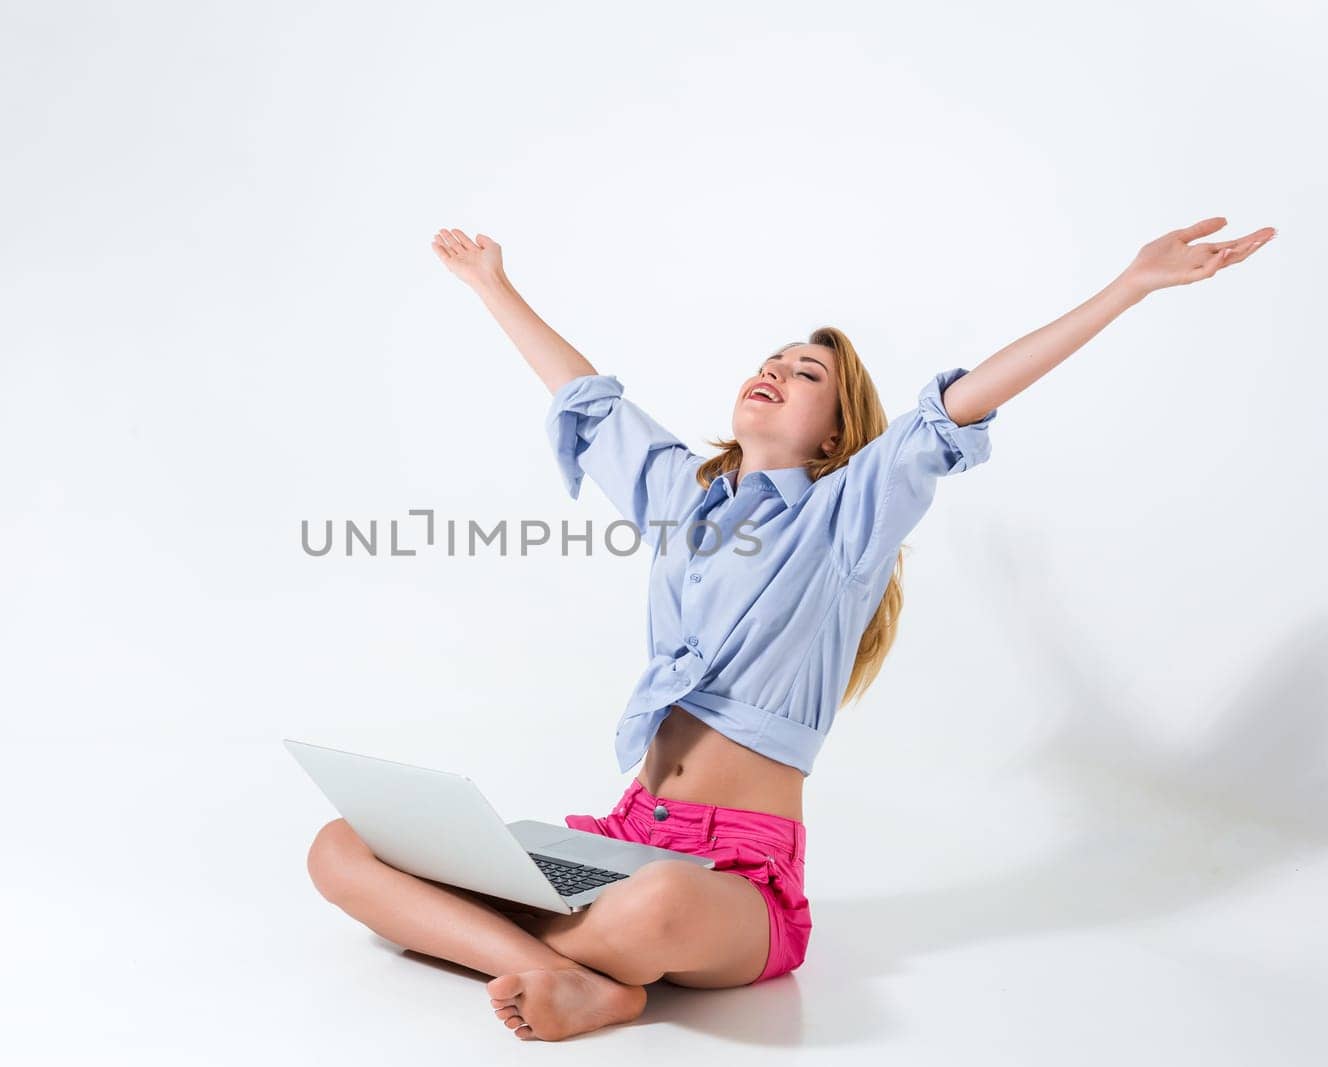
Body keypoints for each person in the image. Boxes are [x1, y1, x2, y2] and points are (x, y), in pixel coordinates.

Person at [306, 219, 1275, 1042]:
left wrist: (1128, 286)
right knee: (341, 844)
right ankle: (570, 970)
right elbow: (584, 397)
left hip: (733, 879)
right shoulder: (684, 492)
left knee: (656, 903)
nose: (772, 370)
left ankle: (502, 942)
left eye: (803, 371)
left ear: (833, 433)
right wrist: (490, 283)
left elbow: (964, 402)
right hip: (625, 835)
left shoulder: (846, 516)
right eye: (769, 360)